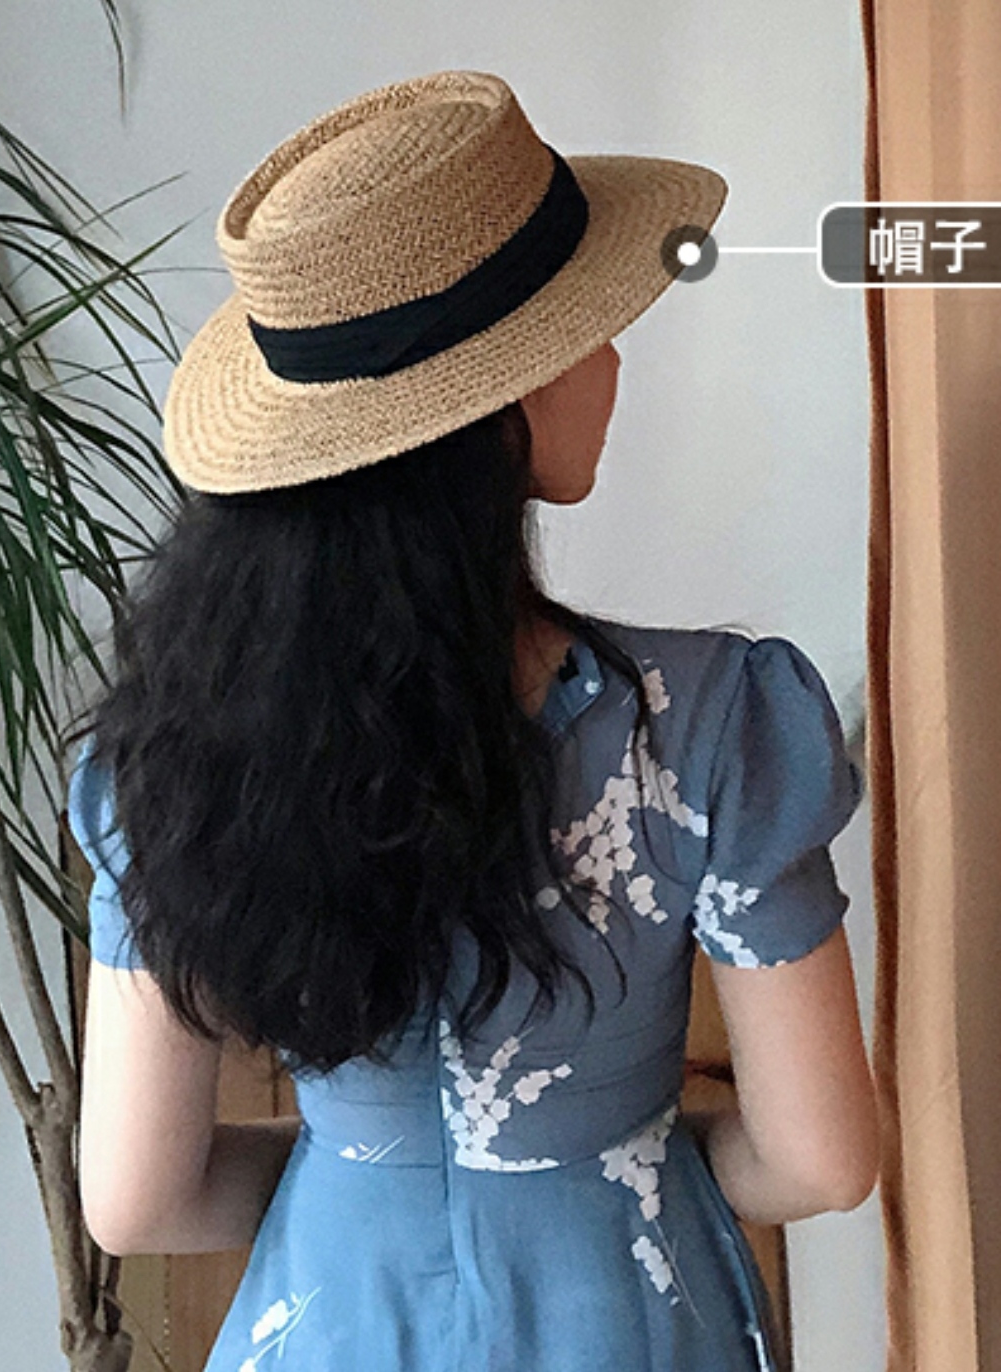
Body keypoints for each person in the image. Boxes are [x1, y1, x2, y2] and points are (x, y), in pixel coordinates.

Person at [65, 69, 879, 1372]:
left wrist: (366, 1170)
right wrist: (603, 1159)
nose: (611, 356)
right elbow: (821, 1160)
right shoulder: (713, 725)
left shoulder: (167, 764)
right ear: (494, 413)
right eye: (581, 331)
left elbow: (138, 1203)